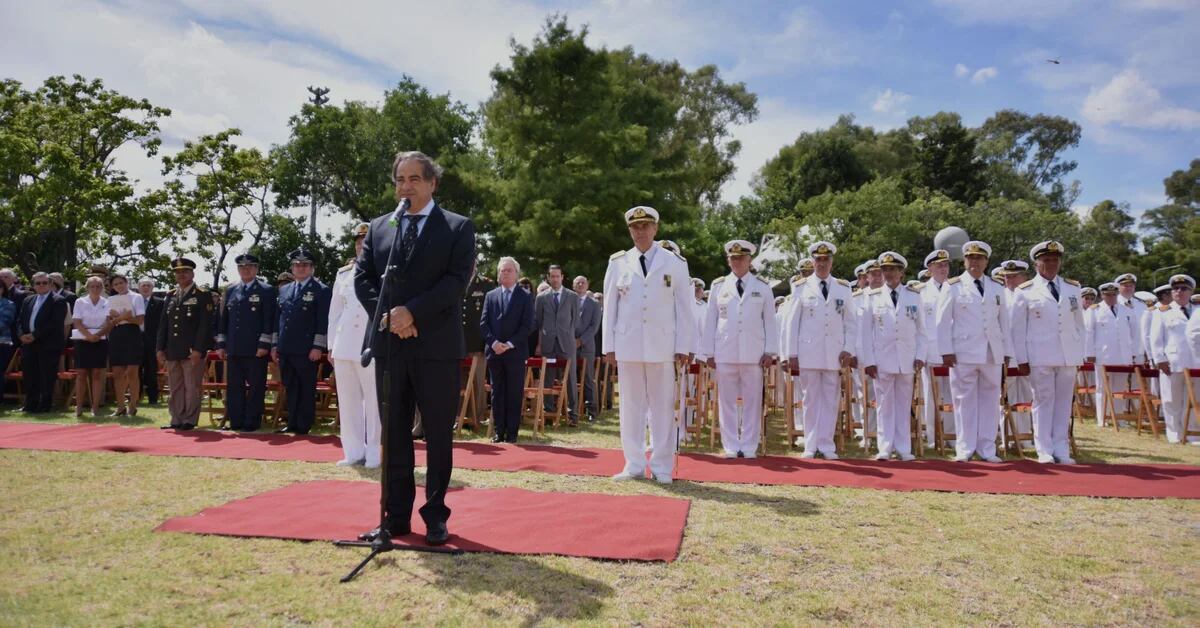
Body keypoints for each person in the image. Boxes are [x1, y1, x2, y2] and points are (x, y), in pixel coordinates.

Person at [354, 150, 476, 546]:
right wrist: (391, 316)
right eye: (400, 180)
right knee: (393, 433)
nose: (405, 187)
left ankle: (435, 516)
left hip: (436, 347)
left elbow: (455, 281)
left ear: (432, 183)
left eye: (414, 179)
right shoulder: (380, 227)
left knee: (438, 433)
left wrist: (412, 313)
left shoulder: (457, 227)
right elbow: (363, 278)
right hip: (390, 345)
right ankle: (395, 517)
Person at [603, 205, 693, 483]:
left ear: (655, 228)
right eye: (635, 227)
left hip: (662, 345)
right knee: (630, 407)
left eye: (645, 226)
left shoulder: (674, 262)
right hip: (627, 344)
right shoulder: (618, 262)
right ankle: (634, 464)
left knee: (662, 408)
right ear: (630, 231)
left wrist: (684, 346)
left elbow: (685, 308)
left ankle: (662, 466)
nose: (640, 231)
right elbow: (610, 307)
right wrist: (609, 346)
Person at [935, 241, 1012, 463]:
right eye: (971, 258)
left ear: (986, 261)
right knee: (963, 401)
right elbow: (942, 322)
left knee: (991, 400)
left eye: (979, 258)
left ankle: (987, 448)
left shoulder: (997, 287)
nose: (975, 262)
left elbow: (1004, 322)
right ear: (964, 261)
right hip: (963, 352)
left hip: (991, 352)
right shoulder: (953, 286)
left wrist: (1006, 351)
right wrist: (946, 351)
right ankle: (965, 447)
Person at [1010, 241, 1086, 464]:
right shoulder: (1025, 291)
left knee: (1064, 403)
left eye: (1055, 260)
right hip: (1039, 355)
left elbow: (1079, 324)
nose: (1051, 264)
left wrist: (1079, 354)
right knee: (1043, 401)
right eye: (1046, 260)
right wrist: (1021, 359)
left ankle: (1061, 448)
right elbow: (1017, 329)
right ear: (1037, 263)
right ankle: (1044, 449)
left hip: (1067, 355)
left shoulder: (1072, 288)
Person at [702, 240, 778, 458]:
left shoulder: (762, 286)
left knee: (753, 402)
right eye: (733, 258)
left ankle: (749, 445)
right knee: (726, 403)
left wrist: (770, 351)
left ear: (749, 260)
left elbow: (770, 321)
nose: (737, 261)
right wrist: (708, 352)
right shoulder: (719, 286)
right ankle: (731, 445)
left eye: (741, 258)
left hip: (754, 354)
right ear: (728, 260)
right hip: (725, 351)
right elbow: (711, 320)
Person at [783, 241, 856, 459]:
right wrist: (791, 354)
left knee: (831, 400)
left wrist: (848, 349)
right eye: (818, 260)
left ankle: (826, 445)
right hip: (809, 352)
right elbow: (792, 323)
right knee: (810, 400)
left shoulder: (843, 288)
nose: (822, 264)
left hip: (834, 353)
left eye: (826, 260)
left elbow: (851, 323)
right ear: (813, 262)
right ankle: (810, 444)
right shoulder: (801, 287)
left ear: (831, 262)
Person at [859, 252, 927, 461]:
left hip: (906, 358)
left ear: (901, 272)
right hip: (882, 359)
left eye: (893, 270)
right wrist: (869, 361)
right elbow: (865, 333)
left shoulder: (914, 296)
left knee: (904, 404)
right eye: (885, 270)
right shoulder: (873, 297)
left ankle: (904, 447)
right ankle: (885, 447)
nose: (888, 274)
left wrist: (920, 355)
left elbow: (922, 331)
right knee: (884, 405)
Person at [330, 225, 380, 465]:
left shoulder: (382, 271)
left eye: (365, 240)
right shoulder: (344, 274)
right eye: (358, 241)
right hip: (344, 343)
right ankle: (353, 451)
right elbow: (335, 313)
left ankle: (374, 452)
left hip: (369, 344)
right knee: (348, 401)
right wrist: (332, 345)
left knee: (374, 401)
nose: (361, 244)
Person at [272, 247, 331, 435]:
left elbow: (323, 321)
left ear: (312, 268)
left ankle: (304, 424)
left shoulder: (321, 290)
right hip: (286, 347)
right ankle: (292, 422)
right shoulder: (285, 290)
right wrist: (275, 345)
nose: (301, 268)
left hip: (307, 349)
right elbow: (278, 319)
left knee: (306, 387)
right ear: (292, 268)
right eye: (297, 265)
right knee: (290, 386)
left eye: (305, 265)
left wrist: (318, 346)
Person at [216, 254, 277, 432]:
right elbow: (224, 319)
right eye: (242, 267)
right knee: (234, 387)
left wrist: (264, 344)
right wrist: (221, 344)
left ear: (256, 269)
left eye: (250, 266)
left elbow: (269, 320)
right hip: (234, 348)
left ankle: (252, 421)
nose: (246, 270)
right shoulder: (230, 289)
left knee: (256, 386)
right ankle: (236, 421)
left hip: (255, 348)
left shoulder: (266, 290)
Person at [481, 257, 534, 442]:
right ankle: (499, 431)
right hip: (494, 352)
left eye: (508, 270)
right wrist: (494, 343)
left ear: (516, 274)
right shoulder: (491, 295)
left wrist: (510, 344)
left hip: (515, 352)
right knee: (497, 392)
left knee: (513, 392)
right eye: (502, 270)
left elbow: (527, 325)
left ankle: (512, 433)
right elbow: (484, 324)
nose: (505, 273)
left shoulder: (525, 296)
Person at [157, 258, 213, 430]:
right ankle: (176, 418)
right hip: (172, 349)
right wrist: (159, 348)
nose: (181, 275)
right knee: (175, 386)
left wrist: (198, 349)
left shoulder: (202, 294)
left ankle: (189, 419)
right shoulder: (170, 295)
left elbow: (205, 325)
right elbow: (164, 324)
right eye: (178, 272)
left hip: (191, 350)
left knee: (191, 386)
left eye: (185, 271)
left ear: (192, 273)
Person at [1085, 282, 1140, 426]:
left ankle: (1118, 417)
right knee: (1102, 388)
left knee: (1120, 388)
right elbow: (1088, 333)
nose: (1111, 298)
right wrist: (1089, 353)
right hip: (1103, 355)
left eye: (1114, 295)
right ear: (1102, 295)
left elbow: (1135, 333)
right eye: (1108, 295)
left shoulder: (1126, 310)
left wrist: (1134, 352)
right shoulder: (1094, 310)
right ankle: (1102, 418)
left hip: (1123, 355)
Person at [1151, 274, 1197, 444]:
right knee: (1171, 399)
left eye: (1183, 288)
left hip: (1195, 362)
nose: (1179, 291)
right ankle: (1174, 433)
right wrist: (1160, 359)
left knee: (1193, 400)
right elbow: (1155, 338)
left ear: (1191, 292)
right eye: (1175, 289)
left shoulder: (1198, 310)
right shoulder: (1163, 311)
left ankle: (1192, 433)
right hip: (1172, 361)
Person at [535, 264, 582, 425]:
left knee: (570, 379)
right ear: (548, 278)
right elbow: (539, 321)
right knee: (547, 378)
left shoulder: (572, 296)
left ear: (562, 277)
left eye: (557, 276)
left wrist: (565, 332)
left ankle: (572, 415)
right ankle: (548, 412)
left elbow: (576, 321)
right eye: (552, 276)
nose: (555, 279)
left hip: (567, 343)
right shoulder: (541, 298)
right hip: (548, 343)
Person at [17, 272, 68, 413]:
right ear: (33, 285)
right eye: (38, 283)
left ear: (50, 284)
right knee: (29, 374)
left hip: (48, 344)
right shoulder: (28, 300)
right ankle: (30, 404)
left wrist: (34, 335)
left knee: (46, 375)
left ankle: (45, 404)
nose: (41, 285)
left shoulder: (58, 300)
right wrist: (21, 335)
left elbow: (54, 323)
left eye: (44, 283)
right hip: (28, 344)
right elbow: (20, 320)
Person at [920, 250, 952, 447]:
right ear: (929, 269)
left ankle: (951, 436)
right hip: (931, 351)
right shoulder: (921, 292)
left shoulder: (955, 288)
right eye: (939, 265)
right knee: (931, 395)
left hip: (953, 351)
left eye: (946, 265)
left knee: (952, 396)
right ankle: (932, 437)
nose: (943, 269)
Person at [105, 274, 146, 416]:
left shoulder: (136, 297)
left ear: (126, 282)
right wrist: (119, 317)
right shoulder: (111, 300)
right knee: (117, 373)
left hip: (132, 334)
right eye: (115, 284)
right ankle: (120, 406)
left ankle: (133, 405)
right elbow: (109, 321)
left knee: (132, 372)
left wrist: (123, 317)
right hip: (116, 335)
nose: (119, 286)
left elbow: (139, 320)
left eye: (121, 283)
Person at [71, 276, 111, 417]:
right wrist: (88, 336)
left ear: (102, 288)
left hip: (100, 340)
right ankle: (79, 407)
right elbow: (77, 321)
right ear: (87, 288)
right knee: (81, 374)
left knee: (97, 374)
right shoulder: (80, 301)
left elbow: (109, 323)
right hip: (82, 339)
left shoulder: (107, 302)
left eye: (98, 286)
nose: (95, 289)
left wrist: (97, 335)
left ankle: (95, 407)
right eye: (92, 286)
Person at [461, 272, 495, 424]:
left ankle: (477, 416)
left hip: (478, 342)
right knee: (460, 381)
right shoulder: (457, 279)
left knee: (478, 381)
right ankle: (460, 416)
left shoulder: (486, 284)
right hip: (458, 341)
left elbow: (491, 315)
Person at [574, 274, 601, 422]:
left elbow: (594, 327)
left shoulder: (594, 304)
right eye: (578, 283)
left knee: (588, 378)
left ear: (587, 285)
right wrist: (571, 340)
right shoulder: (568, 301)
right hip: (569, 345)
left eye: (583, 282)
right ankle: (572, 410)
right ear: (573, 286)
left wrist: (581, 340)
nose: (580, 285)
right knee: (570, 377)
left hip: (587, 346)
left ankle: (591, 410)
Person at [138, 278, 164, 404]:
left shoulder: (160, 303)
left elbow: (162, 324)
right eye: (143, 285)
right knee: (135, 369)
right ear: (139, 288)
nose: (145, 288)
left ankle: (153, 398)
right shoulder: (134, 302)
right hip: (136, 340)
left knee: (151, 369)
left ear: (152, 288)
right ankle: (136, 397)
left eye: (148, 285)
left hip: (152, 341)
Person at [1114, 273, 1148, 362]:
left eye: (1131, 286)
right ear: (1118, 288)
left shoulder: (1142, 305)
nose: (1129, 288)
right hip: (1118, 352)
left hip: (1139, 352)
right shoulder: (1113, 304)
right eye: (1125, 286)